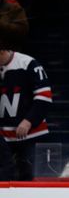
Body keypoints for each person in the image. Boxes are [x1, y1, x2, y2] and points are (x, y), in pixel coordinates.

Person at [0, 48, 51, 180]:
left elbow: (44, 96)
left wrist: (29, 121)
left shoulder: (28, 63)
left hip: (31, 136)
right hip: (4, 137)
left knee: (31, 178)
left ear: (2, 51)